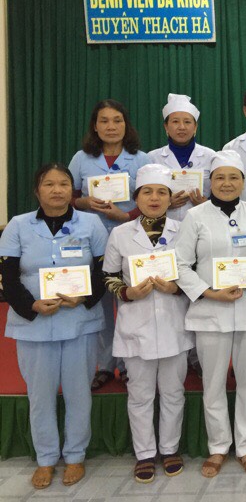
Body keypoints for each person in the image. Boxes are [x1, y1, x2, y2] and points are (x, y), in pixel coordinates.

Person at [0, 163, 108, 489]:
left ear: (71, 190)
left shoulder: (90, 223)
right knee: (40, 396)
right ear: (37, 191)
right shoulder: (18, 225)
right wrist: (31, 305)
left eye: (63, 184)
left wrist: (84, 297)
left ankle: (75, 455)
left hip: (79, 322)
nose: (57, 190)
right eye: (49, 184)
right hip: (33, 324)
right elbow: (8, 277)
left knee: (78, 393)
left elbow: (105, 270)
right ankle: (46, 458)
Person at [174, 150, 246, 478]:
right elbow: (180, 264)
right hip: (210, 311)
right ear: (210, 181)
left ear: (243, 181)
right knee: (213, 384)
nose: (226, 183)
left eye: (233, 177)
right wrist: (209, 292)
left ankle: (245, 446)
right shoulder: (195, 216)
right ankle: (218, 446)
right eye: (220, 178)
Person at [103, 164, 195, 483]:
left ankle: (169, 449)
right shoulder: (120, 234)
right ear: (136, 197)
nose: (154, 198)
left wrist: (177, 288)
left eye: (161, 192)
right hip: (136, 327)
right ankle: (144, 453)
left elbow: (194, 272)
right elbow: (109, 275)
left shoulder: (184, 230)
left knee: (173, 393)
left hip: (174, 325)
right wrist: (127, 292)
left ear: (170, 198)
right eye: (147, 192)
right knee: (140, 395)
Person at [69, 99, 150, 390]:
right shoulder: (81, 159)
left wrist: (125, 215)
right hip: (92, 242)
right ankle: (104, 365)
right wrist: (83, 202)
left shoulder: (141, 159)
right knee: (100, 306)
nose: (111, 126)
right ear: (95, 126)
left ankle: (129, 364)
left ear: (126, 125)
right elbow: (69, 196)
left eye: (117, 120)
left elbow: (153, 199)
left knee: (128, 304)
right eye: (104, 121)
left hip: (131, 238)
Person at [148, 93, 215, 221]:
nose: (182, 127)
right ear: (166, 127)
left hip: (202, 223)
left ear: (195, 127)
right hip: (163, 225)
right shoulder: (152, 158)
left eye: (187, 122)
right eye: (175, 122)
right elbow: (144, 197)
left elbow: (220, 194)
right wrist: (165, 203)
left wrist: (206, 204)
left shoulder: (211, 156)